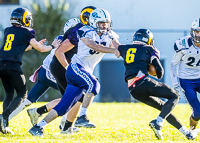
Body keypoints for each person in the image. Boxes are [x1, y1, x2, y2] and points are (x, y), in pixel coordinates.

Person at [28, 8, 120, 137]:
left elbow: (117, 46)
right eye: (101, 23)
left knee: (65, 105)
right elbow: (94, 46)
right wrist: (112, 51)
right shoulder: (85, 31)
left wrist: (126, 51)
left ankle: (39, 127)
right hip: (76, 68)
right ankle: (82, 117)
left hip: (84, 70)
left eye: (106, 22)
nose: (104, 26)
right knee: (94, 85)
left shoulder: (110, 34)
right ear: (93, 22)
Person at [118, 28, 200, 140]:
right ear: (149, 40)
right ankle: (158, 122)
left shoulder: (125, 48)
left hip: (133, 89)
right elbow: (159, 70)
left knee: (164, 109)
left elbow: (115, 47)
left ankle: (187, 133)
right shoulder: (149, 48)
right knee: (175, 96)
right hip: (142, 81)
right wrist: (156, 73)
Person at [27, 6, 97, 129]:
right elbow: (59, 52)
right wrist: (70, 69)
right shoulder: (78, 31)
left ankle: (47, 118)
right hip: (60, 66)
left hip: (60, 66)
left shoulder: (84, 30)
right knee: (75, 96)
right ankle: (64, 125)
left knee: (70, 97)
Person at [0, 7, 58, 134]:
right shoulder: (28, 31)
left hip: (1, 64)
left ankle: (4, 125)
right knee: (23, 94)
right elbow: (42, 49)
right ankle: (3, 116)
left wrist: (33, 46)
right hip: (13, 65)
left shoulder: (8, 30)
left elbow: (17, 48)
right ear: (25, 19)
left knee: (9, 94)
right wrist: (52, 46)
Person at [170, 18, 200, 130]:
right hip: (186, 81)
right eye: (197, 31)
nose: (198, 35)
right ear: (192, 31)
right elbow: (173, 64)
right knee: (198, 112)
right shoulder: (184, 44)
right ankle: (192, 131)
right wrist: (175, 83)